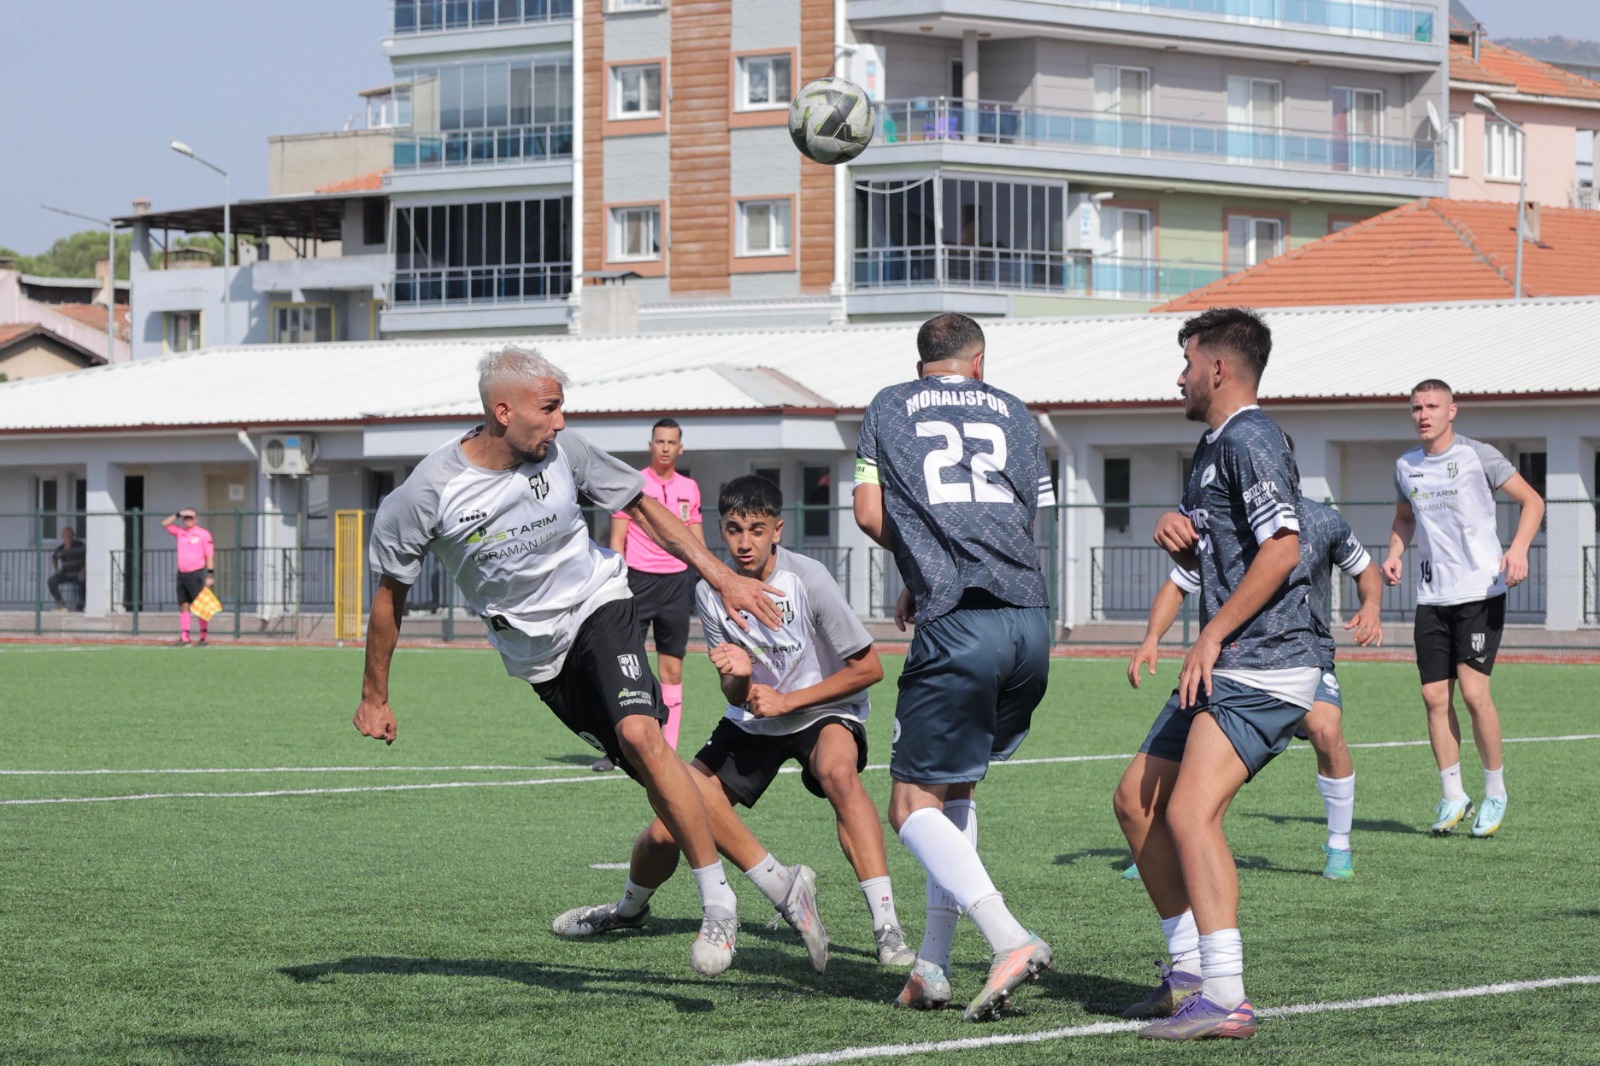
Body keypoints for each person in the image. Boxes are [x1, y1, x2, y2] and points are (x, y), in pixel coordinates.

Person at [354, 345, 785, 978]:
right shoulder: (424, 495)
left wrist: (722, 578)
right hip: (540, 655)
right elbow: (389, 600)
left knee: (644, 734)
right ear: (504, 411)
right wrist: (375, 695)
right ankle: (776, 881)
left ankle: (718, 902)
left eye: (562, 409)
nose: (560, 422)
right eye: (549, 408)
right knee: (647, 769)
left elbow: (644, 509)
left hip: (601, 602)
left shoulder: (567, 452)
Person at [552, 475, 915, 969]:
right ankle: (627, 910)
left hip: (822, 709)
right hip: (752, 719)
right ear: (719, 529)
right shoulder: (710, 591)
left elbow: (868, 670)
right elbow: (735, 692)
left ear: (778, 531)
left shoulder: (809, 579)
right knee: (666, 826)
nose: (744, 542)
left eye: (757, 529)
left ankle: (887, 928)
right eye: (734, 529)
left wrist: (790, 702)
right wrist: (739, 679)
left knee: (838, 772)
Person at [1110, 307, 1320, 1041]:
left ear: (1219, 368)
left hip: (1264, 663)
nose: (1180, 375)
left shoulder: (1254, 437)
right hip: (1228, 662)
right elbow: (1218, 549)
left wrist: (1213, 636)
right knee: (1136, 802)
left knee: (1190, 813)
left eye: (1188, 361)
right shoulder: (1213, 446)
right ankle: (1189, 973)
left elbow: (1283, 548)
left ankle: (1225, 995)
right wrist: (1183, 531)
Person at [853, 312, 1056, 1022]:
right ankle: (932, 967)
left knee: (909, 804)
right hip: (1029, 621)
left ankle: (1009, 937)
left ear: (922, 364)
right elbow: (1029, 513)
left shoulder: (889, 405)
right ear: (978, 360)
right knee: (953, 789)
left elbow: (869, 513)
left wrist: (924, 561)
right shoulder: (1016, 410)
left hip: (959, 623)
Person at [1127, 497, 1385, 884]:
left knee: (1326, 730)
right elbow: (1178, 583)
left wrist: (1372, 607)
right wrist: (1151, 638)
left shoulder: (1324, 520)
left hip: (1303, 656)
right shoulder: (1230, 524)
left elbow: (1367, 571)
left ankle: (1339, 843)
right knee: (1202, 759)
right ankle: (1169, 842)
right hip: (1233, 664)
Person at [1382, 379, 1544, 839]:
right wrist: (1395, 553)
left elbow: (1533, 501)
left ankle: (1495, 792)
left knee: (1473, 695)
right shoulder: (1405, 466)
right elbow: (1404, 518)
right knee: (1434, 697)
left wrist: (1519, 548)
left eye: (1433, 406)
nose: (1424, 414)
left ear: (1453, 410)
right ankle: (1454, 794)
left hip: (1480, 592)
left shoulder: (1480, 456)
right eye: (1416, 407)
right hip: (1432, 597)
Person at [596, 417, 703, 772]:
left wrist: (710, 579)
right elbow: (617, 541)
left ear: (681, 448)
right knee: (624, 670)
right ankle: (615, 750)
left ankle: (667, 752)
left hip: (676, 586)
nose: (666, 448)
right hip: (636, 583)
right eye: (660, 441)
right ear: (650, 445)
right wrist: (615, 585)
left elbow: (696, 540)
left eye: (672, 442)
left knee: (671, 671)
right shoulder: (633, 484)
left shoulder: (691, 487)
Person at [161, 508, 215, 646]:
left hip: (196, 573)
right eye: (186, 518)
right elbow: (165, 524)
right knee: (184, 605)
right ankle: (185, 636)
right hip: (182, 573)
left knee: (200, 606)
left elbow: (209, 555)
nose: (188, 520)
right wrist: (178, 514)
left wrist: (210, 574)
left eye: (191, 517)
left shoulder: (203, 534)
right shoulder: (181, 533)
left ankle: (203, 637)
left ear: (196, 519)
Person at [48, 526, 86, 612]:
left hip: (78, 573)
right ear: (62, 537)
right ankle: (61, 603)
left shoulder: (80, 545)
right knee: (51, 581)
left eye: (70, 535)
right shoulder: (60, 549)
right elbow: (54, 558)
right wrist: (57, 569)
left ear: (73, 536)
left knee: (82, 580)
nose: (68, 537)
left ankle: (81, 604)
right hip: (66, 574)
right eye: (66, 536)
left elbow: (89, 556)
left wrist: (84, 570)